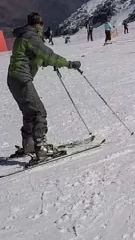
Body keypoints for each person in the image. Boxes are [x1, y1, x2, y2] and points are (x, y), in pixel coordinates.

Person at [7, 12, 80, 163]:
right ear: (38, 24)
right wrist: (69, 64)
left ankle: (29, 144)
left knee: (29, 112)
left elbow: (35, 57)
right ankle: (40, 147)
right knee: (39, 111)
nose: (42, 27)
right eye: (41, 24)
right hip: (22, 78)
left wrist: (49, 63)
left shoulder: (23, 36)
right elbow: (48, 55)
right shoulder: (32, 37)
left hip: (13, 79)